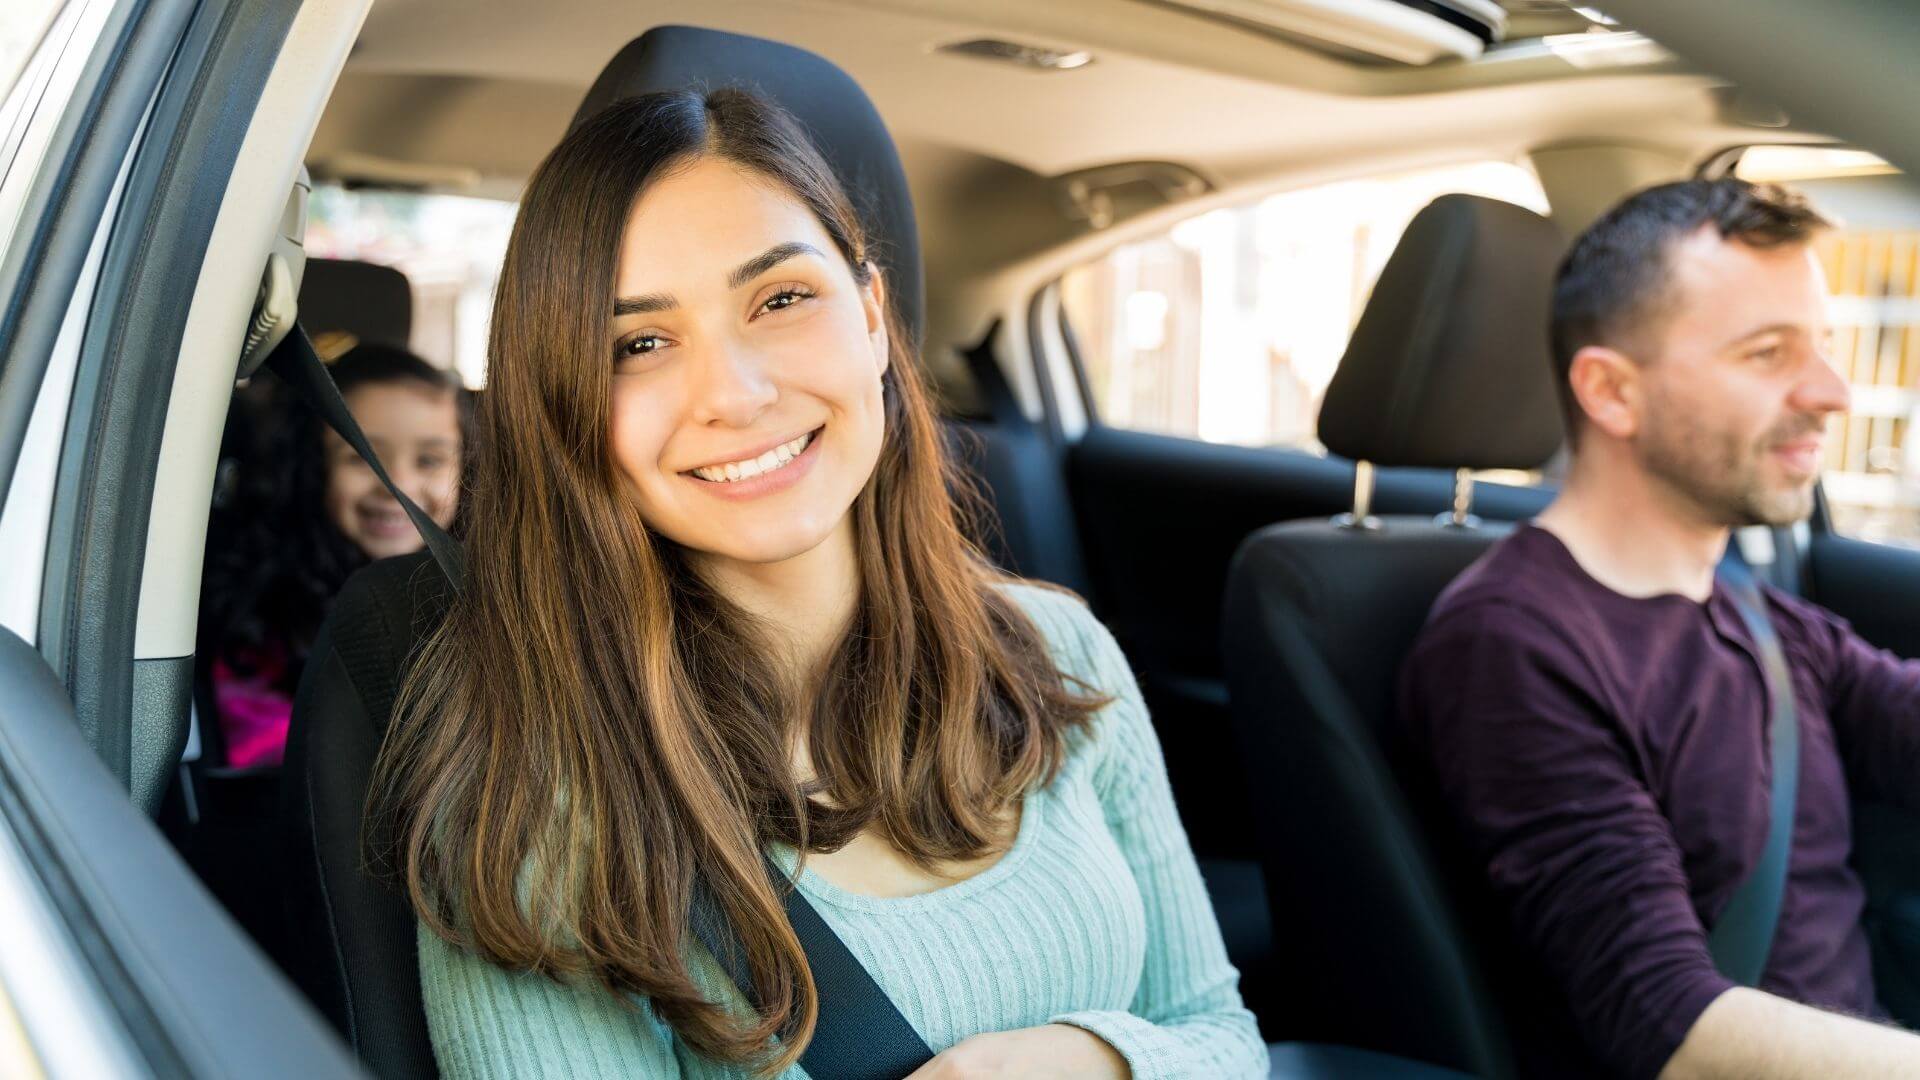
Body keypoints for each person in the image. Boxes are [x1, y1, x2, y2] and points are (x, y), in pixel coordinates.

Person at [363, 88, 1266, 1080]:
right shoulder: (528, 797)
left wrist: (1093, 1062)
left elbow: (1214, 1031)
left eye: (781, 299)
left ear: (873, 319)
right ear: (566, 406)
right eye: (640, 345)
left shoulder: (1058, 653)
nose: (737, 394)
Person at [1400, 177, 1920, 1078]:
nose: (1833, 392)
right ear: (1611, 392)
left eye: (1825, 348)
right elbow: (1674, 1028)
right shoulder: (1511, 648)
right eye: (1768, 353)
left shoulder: (1762, 616)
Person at [198, 341, 466, 768]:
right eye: (363, 458)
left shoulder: (477, 598)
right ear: (315, 465)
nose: (397, 486)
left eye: (429, 460)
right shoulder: (265, 619)